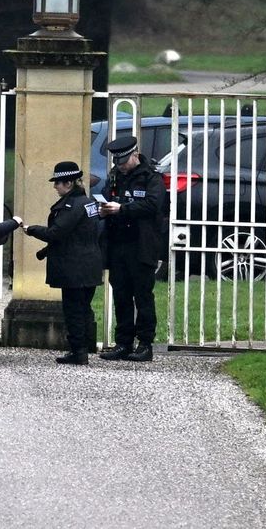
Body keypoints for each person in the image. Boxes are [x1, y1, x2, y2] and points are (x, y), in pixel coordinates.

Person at [24, 161, 103, 365]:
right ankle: (82, 349)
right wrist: (45, 252)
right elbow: (76, 235)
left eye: (57, 183)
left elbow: (57, 233)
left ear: (68, 183)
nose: (55, 187)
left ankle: (78, 352)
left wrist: (31, 229)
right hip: (89, 264)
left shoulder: (72, 205)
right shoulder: (89, 202)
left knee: (74, 310)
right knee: (83, 308)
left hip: (74, 267)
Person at [97, 135, 166, 362]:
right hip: (118, 245)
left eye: (124, 161)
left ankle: (145, 344)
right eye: (117, 162)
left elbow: (152, 205)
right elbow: (108, 196)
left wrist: (122, 209)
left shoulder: (151, 178)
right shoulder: (117, 175)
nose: (120, 166)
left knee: (143, 296)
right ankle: (123, 342)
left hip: (142, 245)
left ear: (135, 155)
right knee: (121, 295)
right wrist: (104, 208)